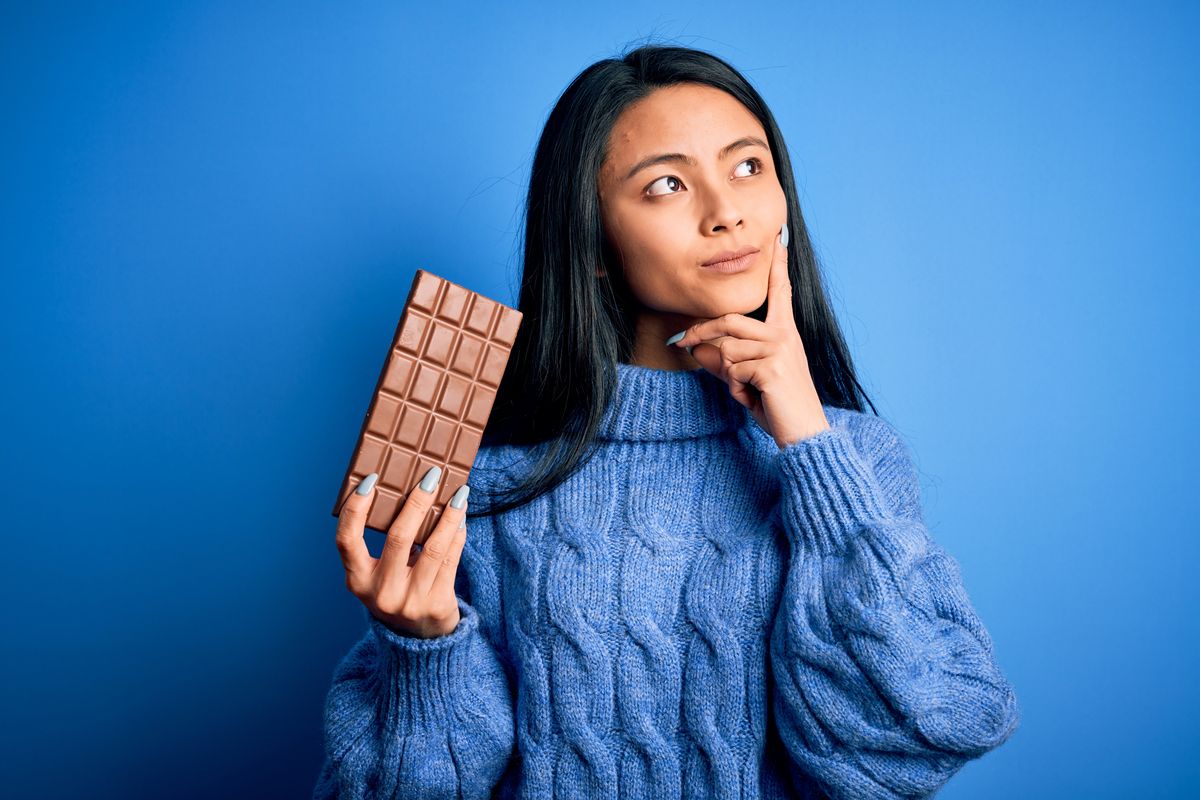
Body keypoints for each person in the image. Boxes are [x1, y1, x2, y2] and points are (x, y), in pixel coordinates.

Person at [313, 43, 1021, 800]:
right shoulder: (484, 474)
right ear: (591, 243)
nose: (727, 213)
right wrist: (424, 650)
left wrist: (808, 443)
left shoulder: (853, 458)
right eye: (667, 185)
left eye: (748, 167)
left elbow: (926, 733)